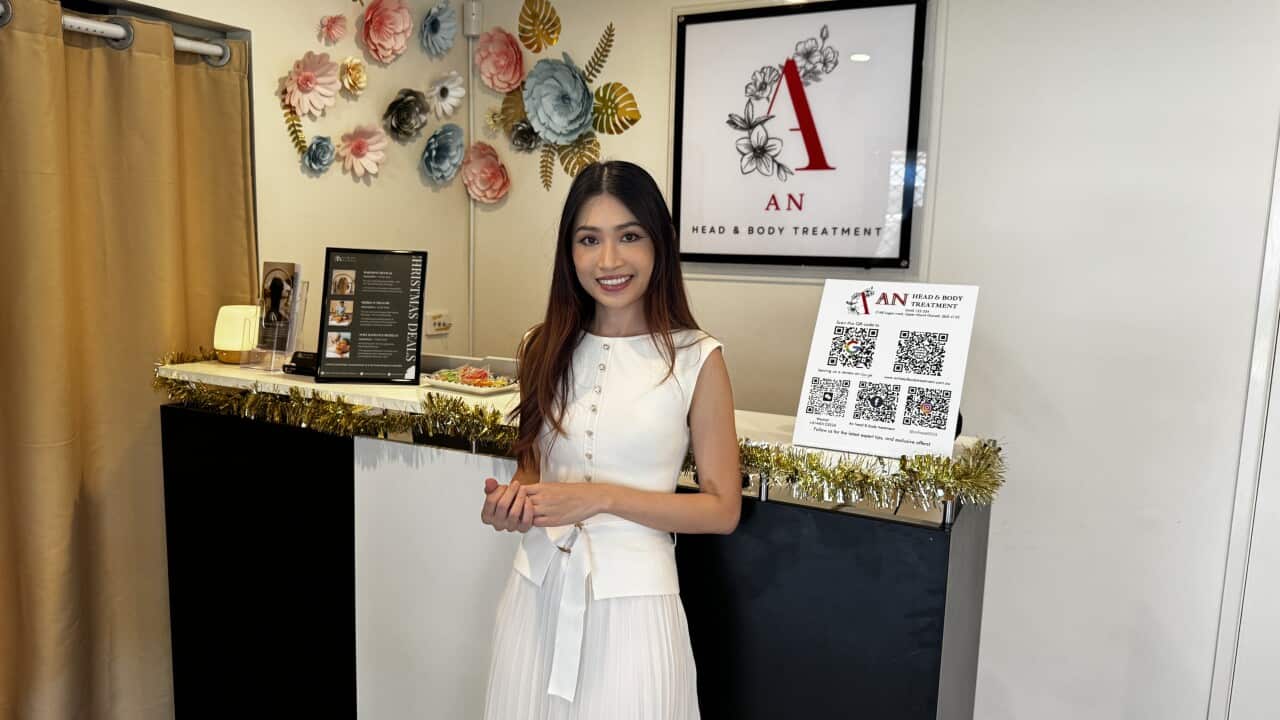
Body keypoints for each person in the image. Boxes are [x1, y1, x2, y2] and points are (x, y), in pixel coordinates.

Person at [480, 161, 741, 720]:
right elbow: (531, 472)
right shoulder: (540, 346)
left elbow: (722, 510)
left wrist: (599, 496)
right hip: (534, 595)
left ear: (658, 245)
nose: (609, 261)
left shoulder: (698, 357)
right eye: (589, 239)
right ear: (568, 252)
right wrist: (514, 505)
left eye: (629, 237)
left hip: (637, 609)